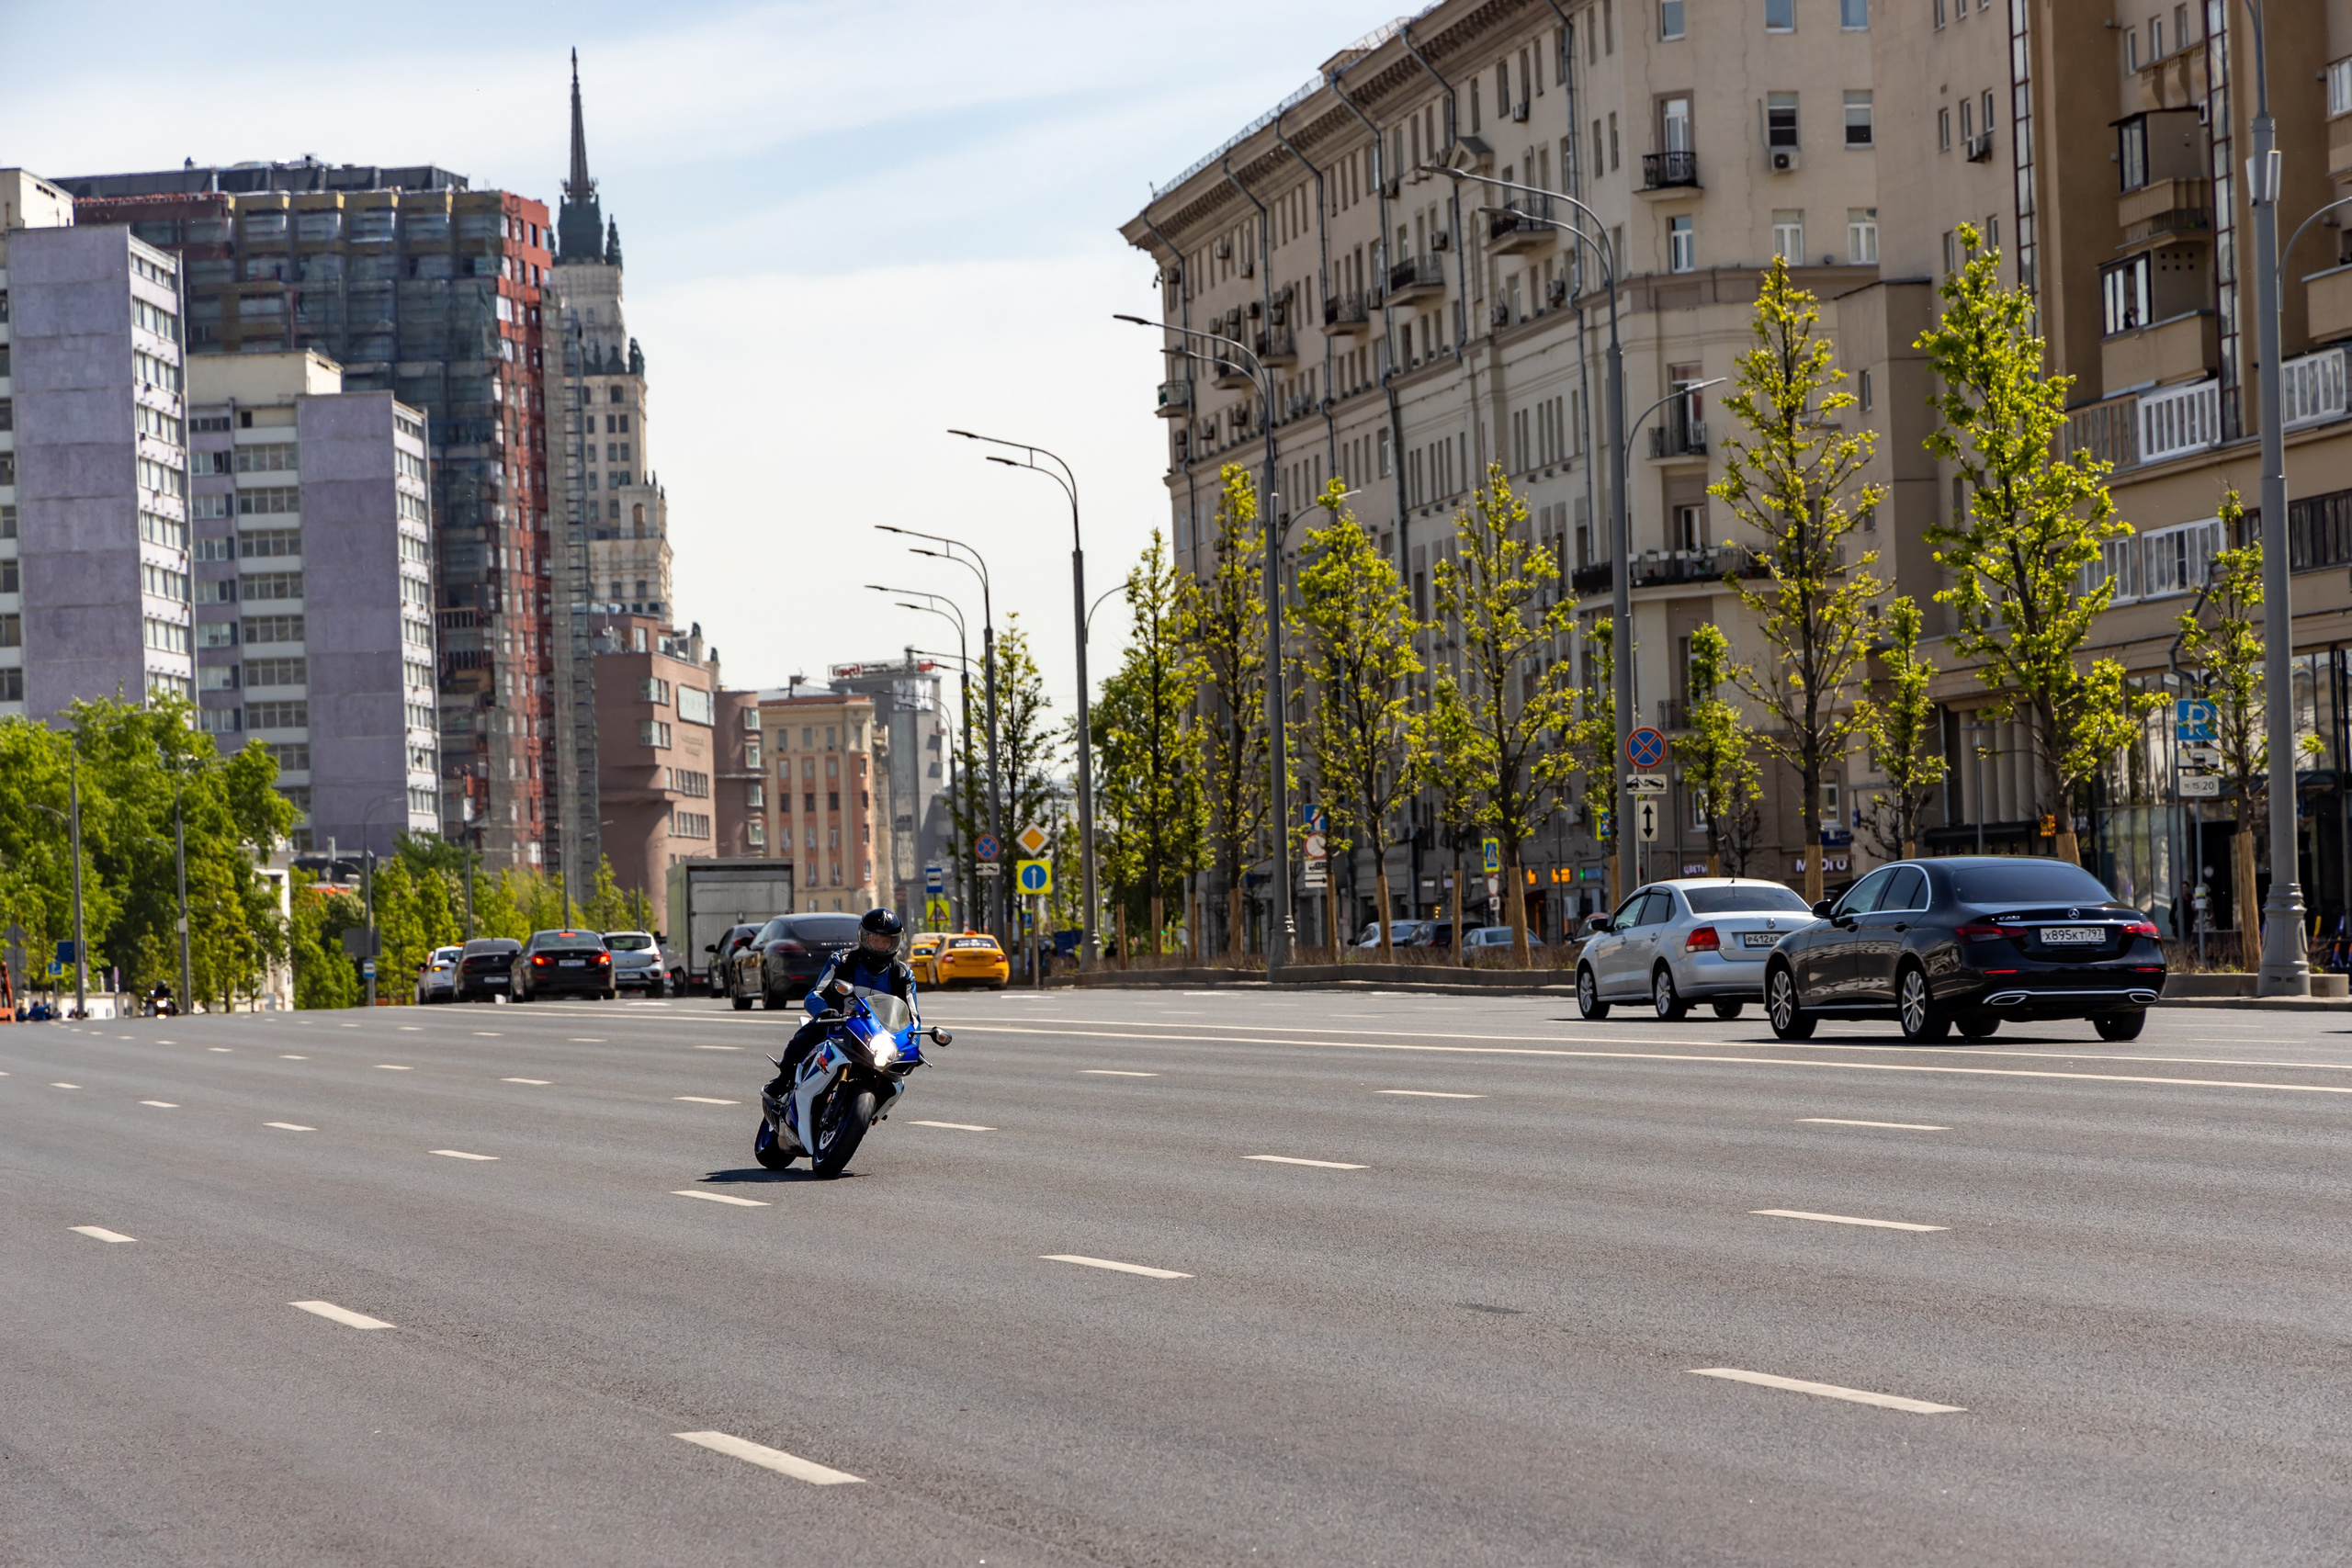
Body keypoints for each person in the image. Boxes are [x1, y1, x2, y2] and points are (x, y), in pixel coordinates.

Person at [766, 908, 913, 1093]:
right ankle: (784, 1079)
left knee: (894, 1075)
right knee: (809, 1033)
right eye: (875, 940)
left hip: (877, 1035)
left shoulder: (902, 975)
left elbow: (912, 1017)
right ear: (864, 938)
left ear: (895, 943)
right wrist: (823, 1011)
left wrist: (911, 1043)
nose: (879, 946)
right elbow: (815, 994)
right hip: (836, 1027)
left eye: (886, 942)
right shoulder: (842, 961)